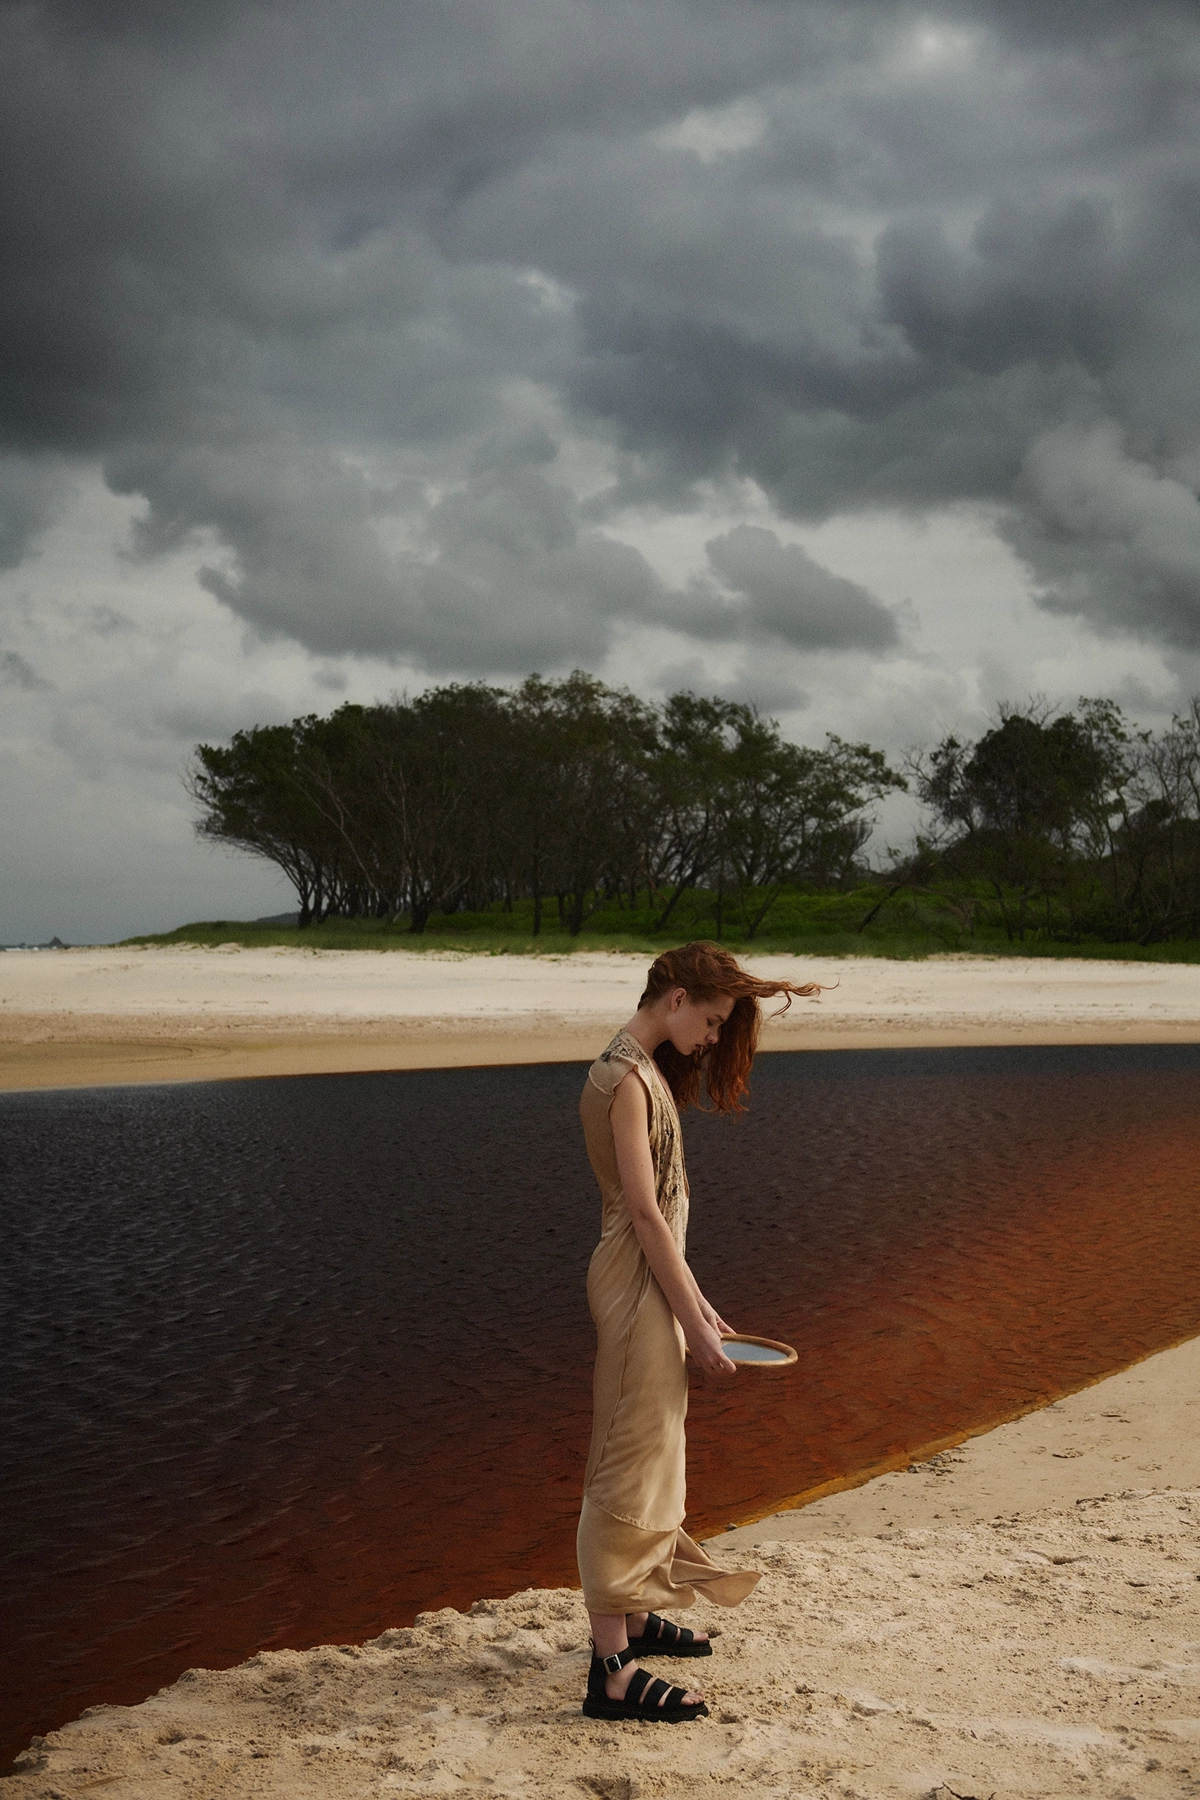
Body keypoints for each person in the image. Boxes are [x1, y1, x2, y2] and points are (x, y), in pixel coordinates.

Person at [577, 940, 822, 1723]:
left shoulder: (640, 1072)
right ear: (674, 997)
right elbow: (645, 1216)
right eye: (712, 1021)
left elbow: (662, 1222)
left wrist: (703, 1310)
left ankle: (640, 1615)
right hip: (632, 1289)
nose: (714, 1039)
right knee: (625, 1464)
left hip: (653, 1285)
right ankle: (610, 1670)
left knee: (657, 1450)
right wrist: (694, 1324)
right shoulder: (623, 1078)